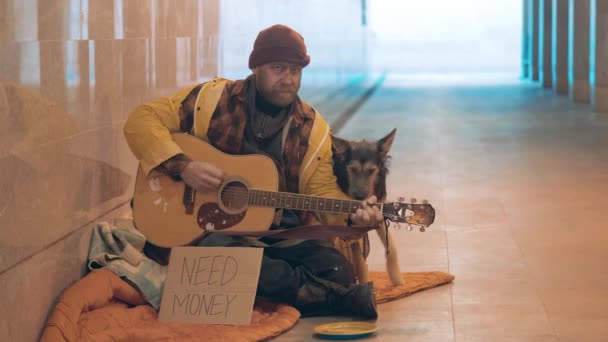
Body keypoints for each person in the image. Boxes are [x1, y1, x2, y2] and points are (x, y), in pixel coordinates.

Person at [123, 24, 383, 318]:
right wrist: (184, 166)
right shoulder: (211, 100)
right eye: (278, 68)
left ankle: (300, 289)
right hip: (210, 234)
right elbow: (141, 120)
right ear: (256, 67)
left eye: (295, 71)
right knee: (221, 255)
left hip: (278, 235)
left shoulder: (312, 128)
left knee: (337, 270)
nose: (288, 79)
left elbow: (322, 192)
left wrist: (354, 215)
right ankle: (322, 296)